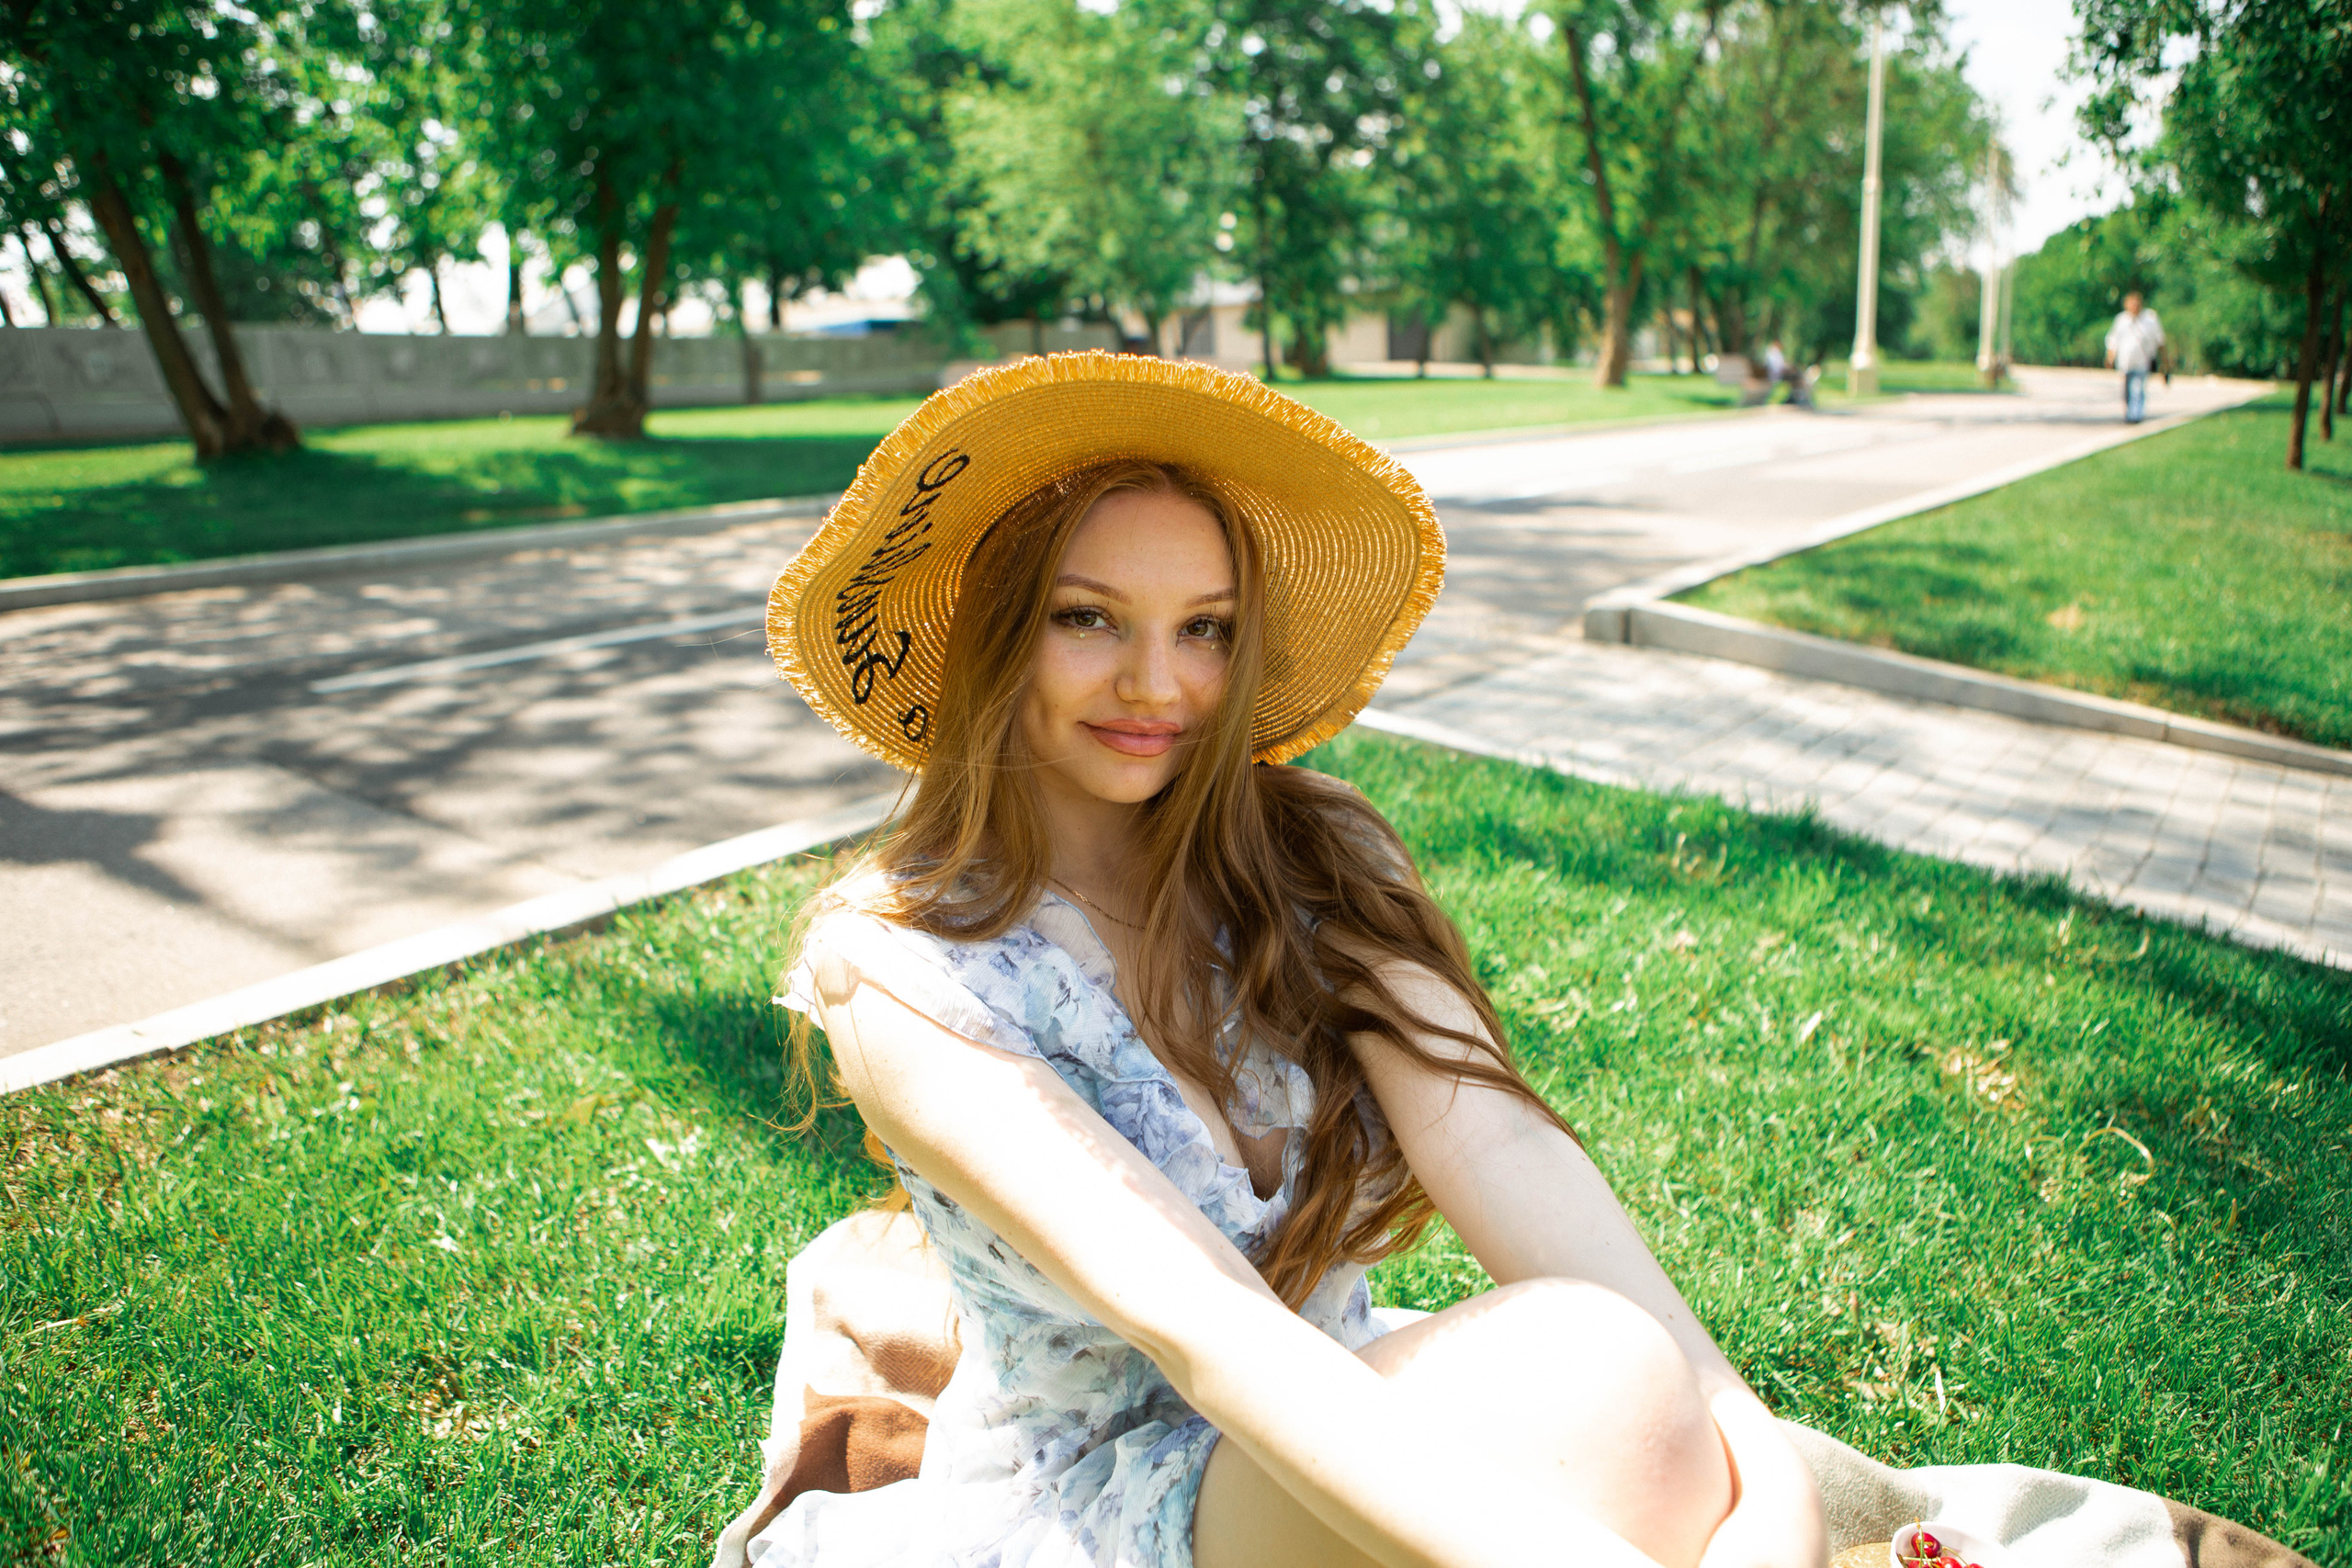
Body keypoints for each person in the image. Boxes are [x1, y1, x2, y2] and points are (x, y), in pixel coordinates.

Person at [745, 352, 1826, 1568]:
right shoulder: (899, 964)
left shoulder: (1312, 851)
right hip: (1108, 1507)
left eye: (1204, 628)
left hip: (1339, 1407)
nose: (1158, 683)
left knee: (1621, 1375)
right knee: (1607, 1404)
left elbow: (1497, 1140)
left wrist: (1760, 1444)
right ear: (1000, 631)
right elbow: (1212, 1331)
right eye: (1087, 616)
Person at [2104, 291, 2165, 423]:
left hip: (2143, 361)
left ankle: (2135, 416)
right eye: (2132, 304)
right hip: (2125, 363)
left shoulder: (2150, 318)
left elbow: (2160, 340)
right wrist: (2110, 358)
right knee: (2127, 391)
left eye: (2137, 304)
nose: (2135, 307)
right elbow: (2112, 340)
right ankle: (2130, 412)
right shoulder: (2121, 320)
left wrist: (2164, 361)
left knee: (2137, 388)